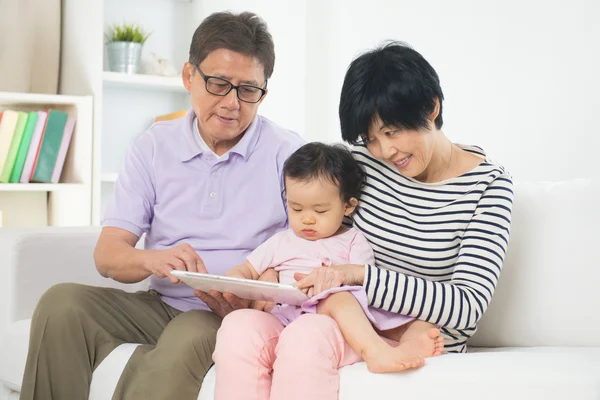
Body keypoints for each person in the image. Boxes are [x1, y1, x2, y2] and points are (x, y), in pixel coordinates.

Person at [19, 11, 304, 400]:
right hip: (160, 302)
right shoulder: (153, 147)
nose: (232, 103)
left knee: (187, 334)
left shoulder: (289, 154)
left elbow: (311, 246)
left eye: (248, 90)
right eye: (219, 84)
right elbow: (108, 256)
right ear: (189, 76)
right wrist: (155, 260)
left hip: (231, 315)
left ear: (263, 93)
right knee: (62, 303)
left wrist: (263, 287)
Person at [213, 42, 514, 399]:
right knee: (239, 329)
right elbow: (308, 211)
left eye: (392, 132)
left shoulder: (488, 187)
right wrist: (269, 274)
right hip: (325, 314)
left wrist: (357, 276)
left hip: (407, 334)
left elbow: (467, 306)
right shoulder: (362, 163)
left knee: (306, 339)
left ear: (431, 108)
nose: (385, 151)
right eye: (370, 138)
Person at [214, 143, 444, 394]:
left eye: (320, 210)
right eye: (296, 208)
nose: (307, 219)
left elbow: (364, 287)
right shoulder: (281, 241)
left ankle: (377, 349)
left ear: (348, 206)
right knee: (239, 324)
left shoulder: (353, 240)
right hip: (284, 316)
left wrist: (333, 283)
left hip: (334, 321)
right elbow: (245, 270)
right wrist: (231, 281)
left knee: (337, 299)